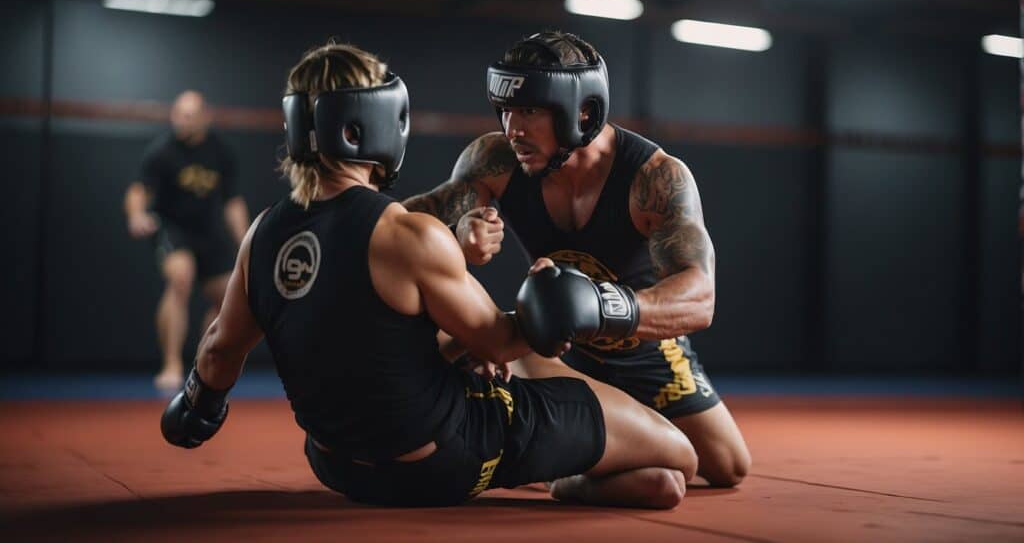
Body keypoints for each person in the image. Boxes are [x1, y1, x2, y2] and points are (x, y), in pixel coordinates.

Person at [159, 41, 699, 509]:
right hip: (441, 462)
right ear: (367, 122)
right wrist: (565, 299)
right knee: (678, 458)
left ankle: (576, 474)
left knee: (656, 484)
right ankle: (565, 481)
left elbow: (218, 351)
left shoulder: (262, 235)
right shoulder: (405, 234)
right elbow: (504, 341)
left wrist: (197, 408)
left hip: (336, 466)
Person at [403, 30, 751, 487]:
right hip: (553, 347)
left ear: (582, 111)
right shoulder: (497, 160)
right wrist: (453, 236)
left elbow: (700, 297)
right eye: (506, 110)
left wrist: (600, 306)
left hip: (644, 351)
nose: (513, 129)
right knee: (484, 337)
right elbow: (397, 233)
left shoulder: (654, 178)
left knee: (728, 466)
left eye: (529, 110)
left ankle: (565, 472)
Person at [124, 90, 250, 391]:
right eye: (177, 114)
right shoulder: (163, 150)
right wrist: (136, 215)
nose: (180, 120)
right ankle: (171, 364)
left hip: (208, 231)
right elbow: (138, 191)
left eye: (188, 115)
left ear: (205, 117)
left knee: (227, 297)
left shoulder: (220, 151)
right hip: (172, 228)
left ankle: (203, 364)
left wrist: (247, 240)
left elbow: (232, 201)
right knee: (181, 278)